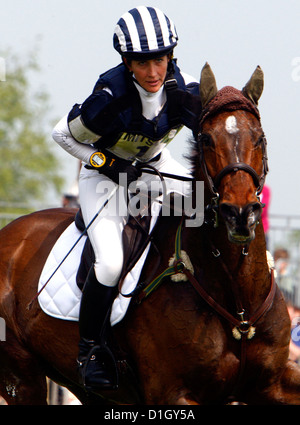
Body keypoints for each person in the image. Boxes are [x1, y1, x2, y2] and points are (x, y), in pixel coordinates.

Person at [52, 5, 201, 391]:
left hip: (153, 166)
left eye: (161, 59)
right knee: (109, 263)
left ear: (171, 55)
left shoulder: (181, 87)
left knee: (205, 209)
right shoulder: (108, 97)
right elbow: (61, 135)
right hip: (103, 179)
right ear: (126, 62)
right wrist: (108, 163)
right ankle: (89, 351)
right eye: (142, 63)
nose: (154, 72)